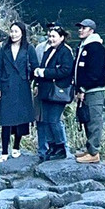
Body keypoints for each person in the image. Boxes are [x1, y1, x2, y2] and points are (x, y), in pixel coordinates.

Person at [0, 22, 39, 162]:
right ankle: (4, 151)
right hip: (6, 86)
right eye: (11, 31)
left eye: (16, 31)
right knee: (6, 119)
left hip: (22, 87)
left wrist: (35, 83)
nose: (13, 34)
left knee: (20, 119)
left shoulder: (29, 48)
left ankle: (16, 147)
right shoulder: (4, 49)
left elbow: (35, 67)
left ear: (22, 33)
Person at [33, 25, 74, 161]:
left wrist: (45, 73)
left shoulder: (65, 52)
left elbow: (66, 71)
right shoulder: (49, 50)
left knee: (54, 120)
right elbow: (42, 67)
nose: (51, 39)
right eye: (49, 36)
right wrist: (38, 81)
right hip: (46, 91)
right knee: (46, 120)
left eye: (54, 36)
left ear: (62, 37)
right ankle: (52, 146)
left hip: (59, 91)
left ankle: (61, 147)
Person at [73, 18, 105, 163]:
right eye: (80, 27)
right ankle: (89, 149)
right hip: (84, 90)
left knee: (94, 120)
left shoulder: (96, 47)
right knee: (86, 119)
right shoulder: (83, 46)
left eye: (84, 28)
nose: (80, 30)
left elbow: (95, 72)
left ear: (91, 30)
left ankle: (94, 152)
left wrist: (83, 88)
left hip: (94, 90)